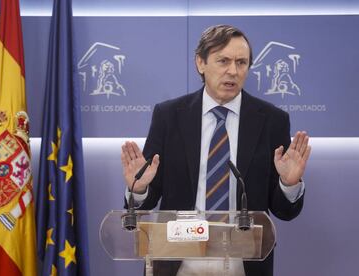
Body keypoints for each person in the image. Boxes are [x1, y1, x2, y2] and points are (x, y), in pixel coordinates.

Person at [121, 24, 311, 276]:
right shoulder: (169, 116)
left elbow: (284, 212)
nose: (233, 71)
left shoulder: (272, 120)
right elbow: (150, 198)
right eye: (223, 61)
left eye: (241, 63)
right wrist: (141, 187)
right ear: (200, 63)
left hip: (243, 261)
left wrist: (288, 184)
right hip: (177, 258)